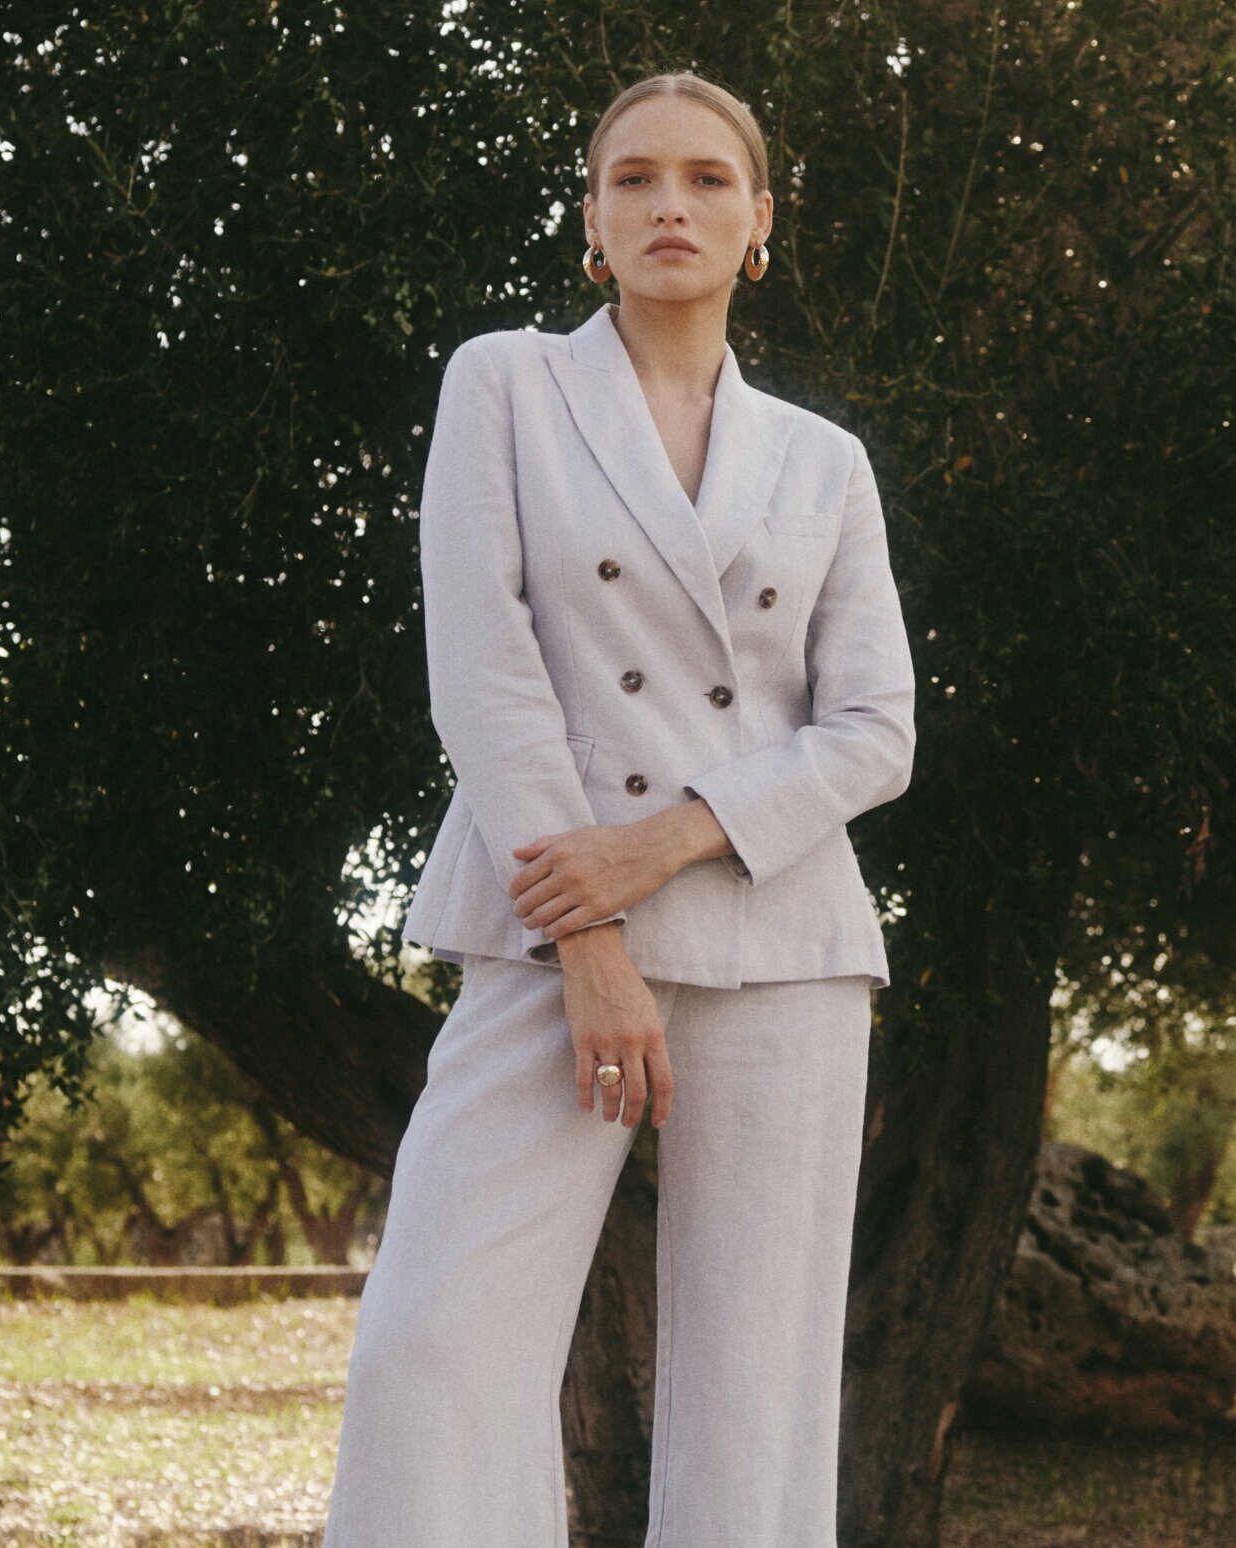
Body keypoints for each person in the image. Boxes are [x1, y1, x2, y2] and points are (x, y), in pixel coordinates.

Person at [319, 70, 918, 1548]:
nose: (670, 205)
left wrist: (668, 839)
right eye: (634, 178)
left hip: (783, 938)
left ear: (760, 222)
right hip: (550, 926)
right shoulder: (506, 384)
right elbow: (484, 669)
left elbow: (875, 730)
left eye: (708, 180)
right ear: (591, 221)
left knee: (757, 1396)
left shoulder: (826, 461)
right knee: (434, 1347)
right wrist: (593, 941)